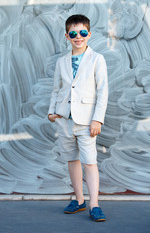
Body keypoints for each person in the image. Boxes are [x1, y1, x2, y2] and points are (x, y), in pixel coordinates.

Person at [48, 14, 108, 222]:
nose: (78, 37)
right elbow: (57, 89)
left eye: (83, 32)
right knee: (72, 160)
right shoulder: (62, 61)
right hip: (65, 120)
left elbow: (103, 91)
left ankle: (94, 204)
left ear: (89, 34)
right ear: (67, 36)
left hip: (87, 121)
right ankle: (80, 200)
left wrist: (97, 119)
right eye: (73, 33)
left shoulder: (97, 59)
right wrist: (52, 111)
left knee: (89, 162)